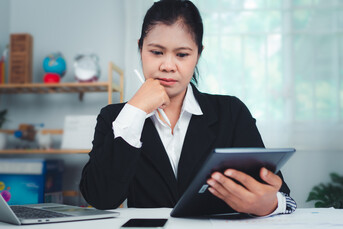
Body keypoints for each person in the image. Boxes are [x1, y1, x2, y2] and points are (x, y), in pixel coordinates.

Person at [80, 0, 296, 216]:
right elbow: (101, 198)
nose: (168, 66)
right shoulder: (115, 117)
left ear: (198, 54)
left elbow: (284, 196)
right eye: (156, 52)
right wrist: (135, 110)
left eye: (182, 54)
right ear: (140, 48)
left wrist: (269, 205)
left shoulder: (231, 112)